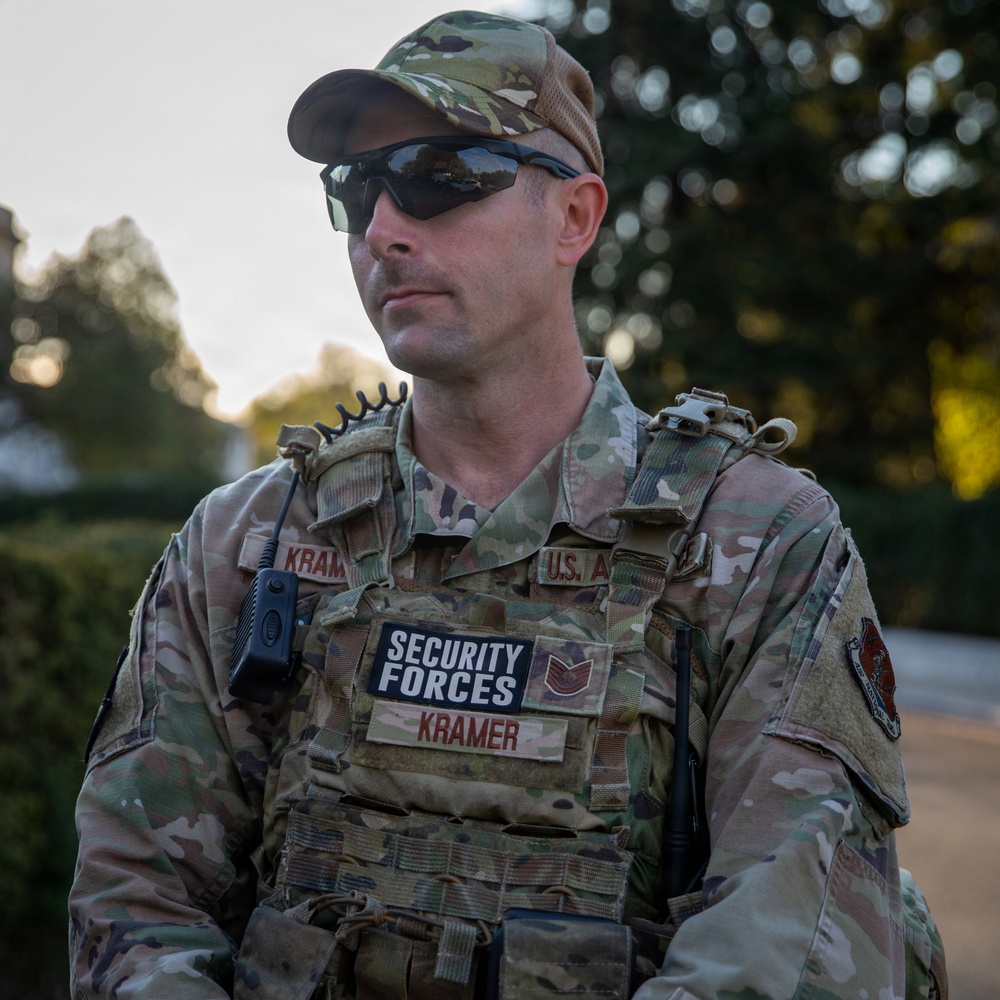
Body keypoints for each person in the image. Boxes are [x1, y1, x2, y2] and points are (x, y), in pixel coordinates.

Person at [69, 10, 947, 999]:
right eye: (355, 188)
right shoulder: (250, 541)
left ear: (573, 217)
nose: (384, 229)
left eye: (441, 176)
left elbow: (790, 938)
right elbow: (136, 902)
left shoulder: (756, 542)